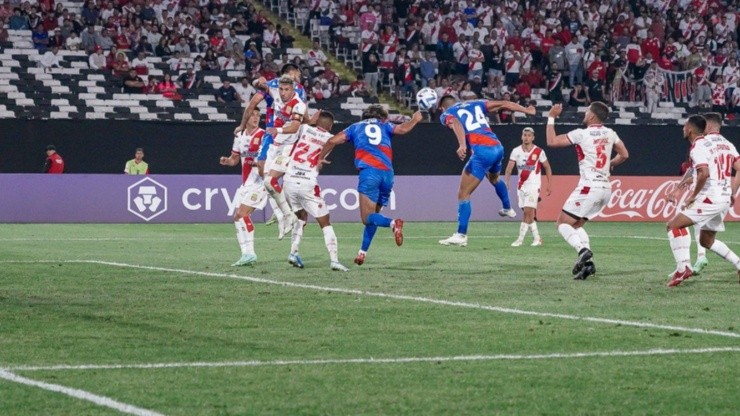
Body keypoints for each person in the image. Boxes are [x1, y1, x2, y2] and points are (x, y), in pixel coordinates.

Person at [318, 105, 423, 265]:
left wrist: (320, 157)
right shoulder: (385, 125)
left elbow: (332, 140)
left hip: (370, 173)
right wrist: (415, 119)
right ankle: (362, 252)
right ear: (381, 117)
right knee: (374, 217)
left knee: (367, 218)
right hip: (387, 174)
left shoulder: (355, 127)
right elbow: (402, 129)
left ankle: (393, 223)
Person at [437, 96, 537, 247]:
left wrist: (462, 144)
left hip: (482, 151)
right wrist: (526, 110)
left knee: (463, 194)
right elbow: (504, 103)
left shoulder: (447, 113)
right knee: (494, 178)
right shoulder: (476, 103)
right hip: (497, 147)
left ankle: (461, 235)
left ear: (442, 107)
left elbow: (456, 122)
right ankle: (507, 208)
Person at [546, 102, 629, 280]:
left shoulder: (581, 134)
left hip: (589, 186)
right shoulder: (610, 133)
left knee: (562, 224)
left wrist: (551, 117)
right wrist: (611, 164)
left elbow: (551, 142)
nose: (584, 113)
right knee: (576, 225)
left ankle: (583, 251)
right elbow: (624, 154)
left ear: (592, 116)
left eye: (587, 111)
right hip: (606, 189)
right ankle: (588, 265)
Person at [665, 115, 740, 287]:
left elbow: (702, 173)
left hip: (710, 197)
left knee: (673, 225)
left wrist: (692, 196)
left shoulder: (700, 145)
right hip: (723, 199)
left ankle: (683, 267)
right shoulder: (727, 144)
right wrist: (733, 192)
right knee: (706, 241)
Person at [235, 65, 307, 239]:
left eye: (287, 88)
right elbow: (254, 100)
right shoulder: (274, 86)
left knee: (274, 178)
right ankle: (282, 214)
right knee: (263, 173)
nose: (283, 92)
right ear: (290, 73)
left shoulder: (299, 96)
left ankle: (287, 212)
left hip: (288, 141)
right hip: (271, 135)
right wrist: (242, 126)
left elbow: (300, 120)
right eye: (296, 74)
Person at [282, 110, 349, 272]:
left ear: (317, 120)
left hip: (289, 181)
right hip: (307, 183)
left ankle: (293, 252)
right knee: (325, 222)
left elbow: (301, 123)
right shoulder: (329, 139)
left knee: (301, 217)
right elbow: (333, 142)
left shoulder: (304, 129)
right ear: (331, 126)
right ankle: (334, 260)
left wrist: (309, 119)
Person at [219, 111, 268, 267]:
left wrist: (260, 166)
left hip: (260, 182)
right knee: (237, 217)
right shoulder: (239, 136)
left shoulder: (264, 135)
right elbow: (235, 159)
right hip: (246, 184)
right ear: (245, 118)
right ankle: (245, 253)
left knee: (242, 214)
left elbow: (269, 159)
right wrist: (227, 161)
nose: (255, 118)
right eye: (252, 115)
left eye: (258, 116)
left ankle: (250, 253)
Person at [504, 127, 553, 247]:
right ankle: (537, 238)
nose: (526, 137)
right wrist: (507, 182)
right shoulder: (516, 151)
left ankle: (520, 240)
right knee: (528, 214)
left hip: (534, 185)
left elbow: (547, 167)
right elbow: (509, 168)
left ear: (533, 137)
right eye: (525, 135)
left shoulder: (539, 151)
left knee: (527, 211)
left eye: (529, 135)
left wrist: (549, 184)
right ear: (522, 136)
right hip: (521, 185)